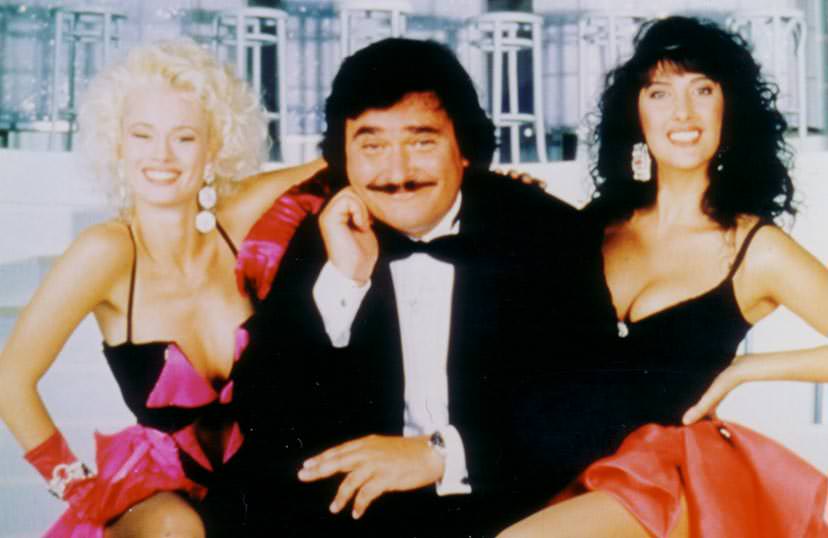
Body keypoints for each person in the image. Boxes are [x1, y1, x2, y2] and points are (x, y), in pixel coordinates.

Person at [230, 37, 616, 536]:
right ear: (344, 158)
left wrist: (442, 454)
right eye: (372, 146)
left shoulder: (549, 233)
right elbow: (263, 412)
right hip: (356, 513)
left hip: (505, 506)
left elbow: (590, 402)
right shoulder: (324, 234)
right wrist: (344, 281)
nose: (397, 173)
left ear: (464, 149)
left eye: (421, 142)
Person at [499, 16, 828, 538]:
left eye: (703, 90)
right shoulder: (596, 226)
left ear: (729, 109)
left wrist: (746, 369)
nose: (683, 112)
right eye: (659, 93)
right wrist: (512, 204)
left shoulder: (755, 248)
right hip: (569, 470)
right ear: (636, 113)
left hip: (664, 478)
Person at [0, 40, 322, 537]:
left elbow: (346, 163)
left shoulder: (237, 220)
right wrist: (73, 485)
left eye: (184, 138)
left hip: (259, 481)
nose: (161, 156)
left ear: (215, 148)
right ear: (118, 145)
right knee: (178, 528)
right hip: (160, 501)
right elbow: (10, 379)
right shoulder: (106, 251)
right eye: (142, 135)